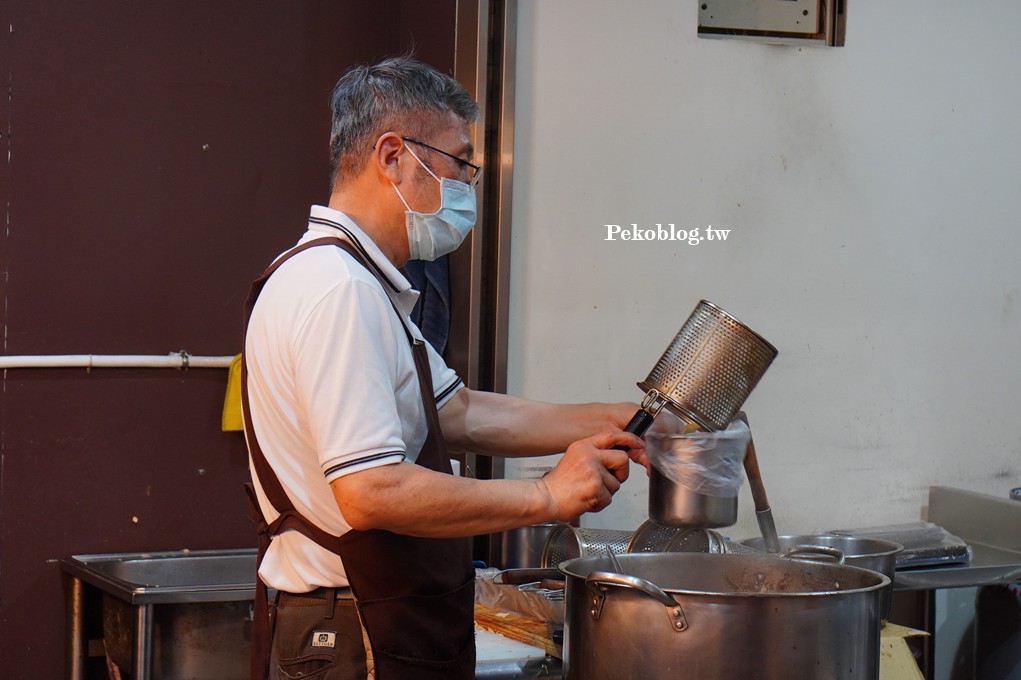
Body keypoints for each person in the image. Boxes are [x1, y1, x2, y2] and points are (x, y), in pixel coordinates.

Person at [242, 55, 647, 680]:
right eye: (459, 163)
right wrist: (546, 495)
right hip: (355, 631)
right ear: (392, 156)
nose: (465, 185)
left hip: (378, 615)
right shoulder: (338, 288)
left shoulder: (354, 280)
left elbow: (460, 412)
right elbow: (371, 490)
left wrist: (617, 417)